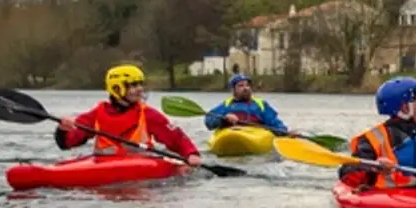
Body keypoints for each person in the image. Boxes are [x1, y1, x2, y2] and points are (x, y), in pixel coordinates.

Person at [55, 64, 201, 163]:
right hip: (103, 167)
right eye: (132, 85)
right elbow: (67, 143)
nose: (139, 89)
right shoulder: (96, 114)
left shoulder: (147, 114)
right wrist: (62, 129)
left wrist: (191, 154)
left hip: (140, 169)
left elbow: (175, 137)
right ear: (116, 88)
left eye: (140, 84)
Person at [345, 77, 416, 189]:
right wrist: (374, 167)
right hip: (388, 197)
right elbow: (348, 174)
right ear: (405, 107)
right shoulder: (373, 138)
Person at [202, 72, 290, 135]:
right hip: (230, 134)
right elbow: (209, 121)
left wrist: (286, 132)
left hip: (254, 135)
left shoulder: (260, 105)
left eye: (247, 85)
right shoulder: (226, 105)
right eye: (241, 85)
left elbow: (275, 123)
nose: (246, 88)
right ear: (233, 89)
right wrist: (223, 119)